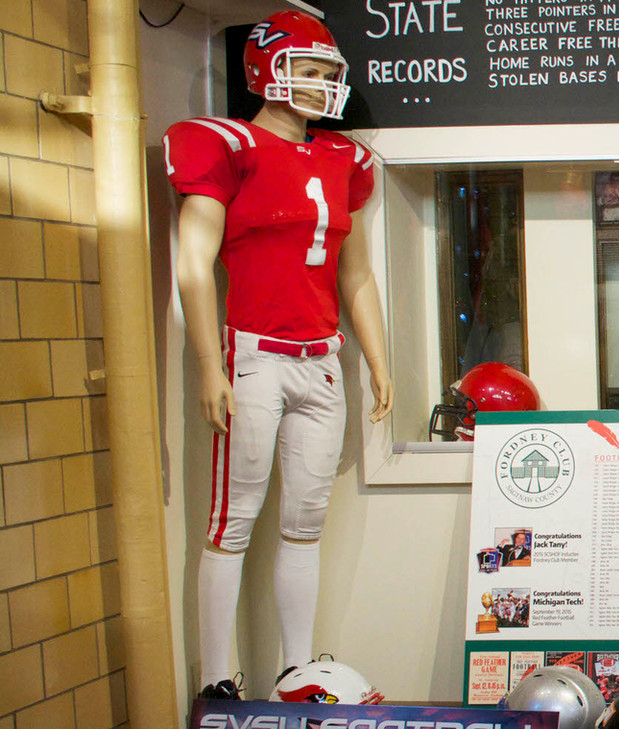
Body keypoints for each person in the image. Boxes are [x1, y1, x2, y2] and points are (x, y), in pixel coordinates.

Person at [166, 10, 393, 699]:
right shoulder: (229, 145)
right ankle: (217, 679)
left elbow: (356, 274)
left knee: (304, 524)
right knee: (232, 521)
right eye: (310, 69)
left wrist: (379, 360)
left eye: (329, 72)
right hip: (255, 353)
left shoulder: (344, 159)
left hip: (321, 357)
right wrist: (209, 363)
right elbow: (192, 264)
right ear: (266, 69)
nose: (323, 83)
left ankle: (297, 671)